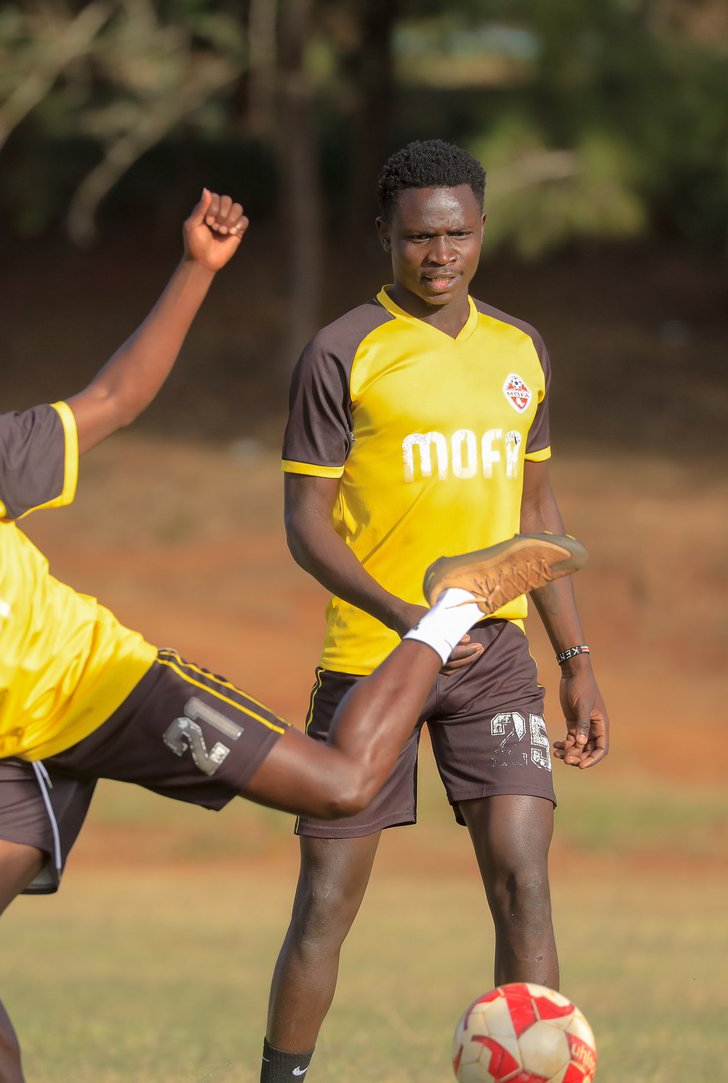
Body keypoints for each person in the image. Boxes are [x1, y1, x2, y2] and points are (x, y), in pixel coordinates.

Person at [0, 189, 587, 1083]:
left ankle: (456, 604)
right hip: (7, 756)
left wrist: (194, 268)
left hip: (117, 686)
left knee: (346, 787)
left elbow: (114, 396)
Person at [258, 140, 610, 1081]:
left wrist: (574, 659)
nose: (440, 252)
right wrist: (415, 620)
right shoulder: (342, 352)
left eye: (457, 233)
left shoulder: (520, 350)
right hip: (373, 656)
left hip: (494, 656)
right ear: (385, 236)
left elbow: (538, 516)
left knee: (524, 882)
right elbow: (306, 525)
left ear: (483, 230)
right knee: (328, 900)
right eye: (419, 236)